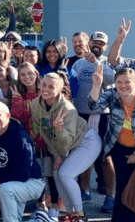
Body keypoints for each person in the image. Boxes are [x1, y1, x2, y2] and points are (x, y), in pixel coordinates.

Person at [89, 66, 135, 222]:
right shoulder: (113, 95)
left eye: (127, 82)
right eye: (119, 82)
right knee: (122, 188)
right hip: (119, 148)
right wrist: (96, 86)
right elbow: (94, 106)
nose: (123, 85)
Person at [31, 73, 101, 222]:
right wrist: (56, 155)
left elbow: (66, 142)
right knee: (57, 174)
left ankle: (80, 215)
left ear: (60, 89)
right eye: (44, 85)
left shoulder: (68, 109)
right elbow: (43, 132)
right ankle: (70, 213)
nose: (46, 89)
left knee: (65, 174)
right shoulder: (35, 104)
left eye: (51, 86)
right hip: (66, 147)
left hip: (87, 142)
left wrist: (59, 130)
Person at [70, 31, 116, 212]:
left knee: (106, 157)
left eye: (101, 43)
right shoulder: (78, 63)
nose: (97, 45)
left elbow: (112, 80)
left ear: (105, 46)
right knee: (83, 155)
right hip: (81, 114)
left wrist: (96, 63)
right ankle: (85, 190)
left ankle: (111, 197)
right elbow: (72, 85)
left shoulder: (108, 63)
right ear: (89, 43)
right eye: (94, 42)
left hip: (103, 114)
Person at [0, 101, 45, 222]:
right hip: (11, 182)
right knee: (14, 214)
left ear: (8, 116)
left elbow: (24, 173)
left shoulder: (20, 137)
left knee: (5, 190)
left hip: (32, 181)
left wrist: (0, 181)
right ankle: (41, 220)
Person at [10, 63, 59, 219]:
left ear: (37, 73)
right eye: (23, 75)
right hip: (32, 142)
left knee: (51, 175)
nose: (27, 77)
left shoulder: (45, 91)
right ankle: (41, 203)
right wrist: (17, 101)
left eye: (30, 73)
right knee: (37, 174)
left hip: (49, 140)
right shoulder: (21, 96)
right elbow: (19, 118)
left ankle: (55, 206)